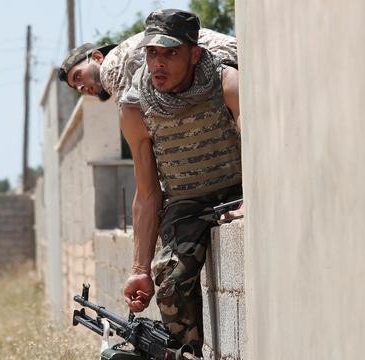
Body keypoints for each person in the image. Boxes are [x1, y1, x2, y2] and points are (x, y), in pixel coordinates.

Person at [117, 9, 244, 356]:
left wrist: (254, 200)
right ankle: (188, 354)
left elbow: (259, 149)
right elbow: (146, 193)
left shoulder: (226, 83)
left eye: (171, 52)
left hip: (238, 191)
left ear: (194, 54)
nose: (159, 63)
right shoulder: (135, 107)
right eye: (152, 52)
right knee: (169, 277)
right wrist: (140, 270)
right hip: (187, 203)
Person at [57, 27, 237, 103]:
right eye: (76, 87)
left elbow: (140, 121)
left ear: (97, 57)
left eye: (78, 75)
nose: (80, 87)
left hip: (228, 62)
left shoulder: (109, 69)